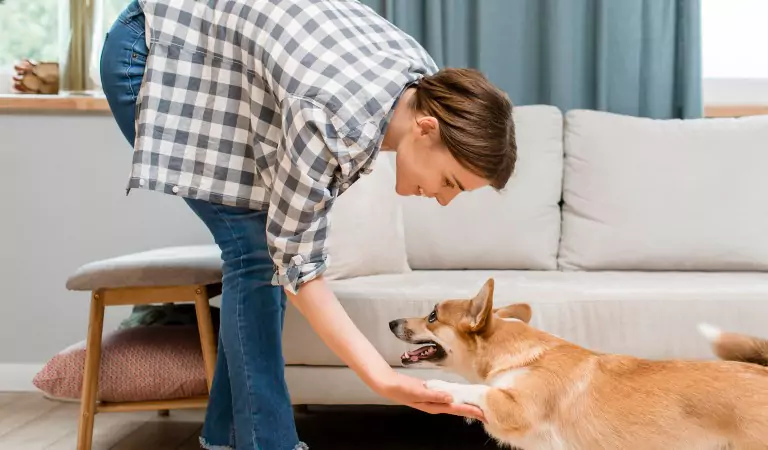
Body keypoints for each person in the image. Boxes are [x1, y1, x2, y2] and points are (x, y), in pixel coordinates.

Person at [99, 0, 517, 449]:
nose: (443, 198)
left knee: (260, 253)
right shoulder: (332, 117)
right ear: (427, 128)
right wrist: (384, 380)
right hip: (157, 48)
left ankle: (224, 439)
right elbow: (299, 269)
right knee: (257, 254)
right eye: (450, 181)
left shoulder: (424, 88)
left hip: (226, 64)